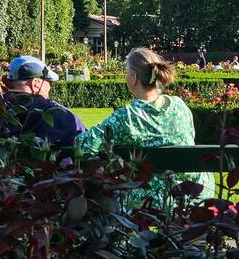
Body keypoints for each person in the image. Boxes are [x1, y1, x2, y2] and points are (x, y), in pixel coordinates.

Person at [77, 47, 213, 206]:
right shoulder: (180, 106)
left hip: (148, 199)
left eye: (126, 72)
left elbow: (83, 145)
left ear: (133, 78)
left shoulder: (127, 117)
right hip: (191, 192)